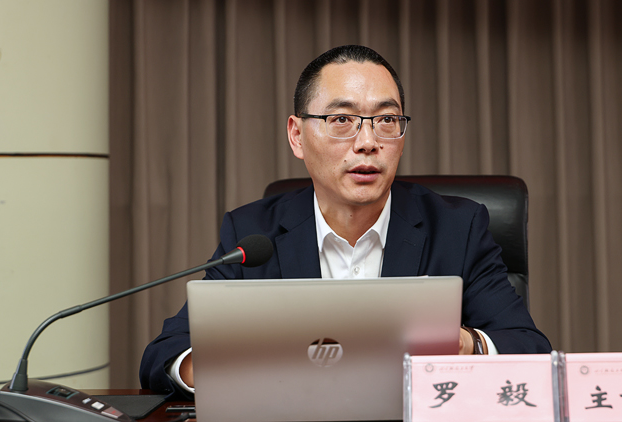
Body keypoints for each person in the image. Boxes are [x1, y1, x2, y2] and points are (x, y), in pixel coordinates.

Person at [139, 45, 551, 399]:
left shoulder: (456, 228)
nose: (368, 142)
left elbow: (530, 349)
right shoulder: (253, 234)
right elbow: (164, 355)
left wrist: (463, 345)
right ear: (297, 136)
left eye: (387, 120)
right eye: (342, 120)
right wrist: (232, 366)